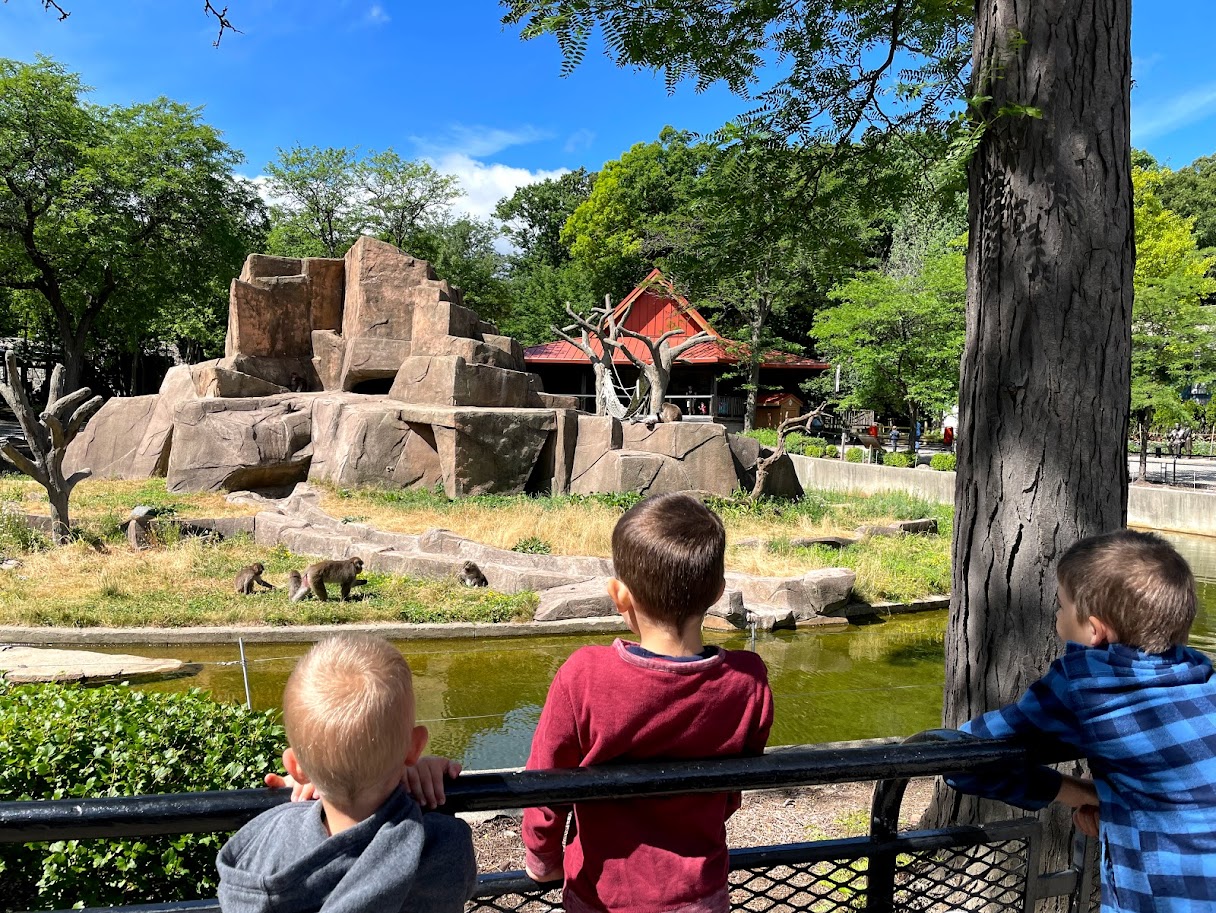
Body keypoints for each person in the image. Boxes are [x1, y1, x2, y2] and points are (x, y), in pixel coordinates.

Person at [523, 493, 774, 913]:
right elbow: (734, 785)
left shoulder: (584, 675)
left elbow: (545, 783)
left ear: (619, 596)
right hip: (700, 893)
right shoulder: (746, 681)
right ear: (717, 592)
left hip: (602, 893)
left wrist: (543, 859)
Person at [946, 530, 1216, 913]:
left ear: (1094, 630)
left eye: (1061, 604)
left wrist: (1079, 793)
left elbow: (963, 757)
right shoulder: (1199, 675)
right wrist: (1117, 799)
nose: (1056, 614)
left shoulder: (1087, 679)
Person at [217, 635, 477, 913]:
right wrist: (422, 786)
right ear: (414, 748)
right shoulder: (445, 845)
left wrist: (309, 787)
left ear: (295, 767)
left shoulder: (261, 855)